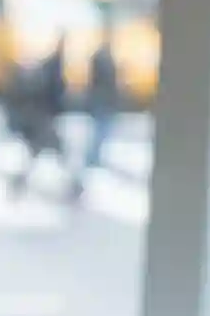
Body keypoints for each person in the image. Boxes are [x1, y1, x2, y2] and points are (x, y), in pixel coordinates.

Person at [8, 43, 71, 200]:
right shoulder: (37, 77)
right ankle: (73, 187)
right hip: (40, 123)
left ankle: (19, 183)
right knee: (56, 152)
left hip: (38, 123)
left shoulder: (33, 75)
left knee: (38, 155)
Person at [79, 12, 123, 193]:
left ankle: (94, 158)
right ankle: (92, 159)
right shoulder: (101, 57)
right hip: (102, 101)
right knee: (100, 132)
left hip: (103, 101)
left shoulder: (102, 57)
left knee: (101, 132)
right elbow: (101, 81)